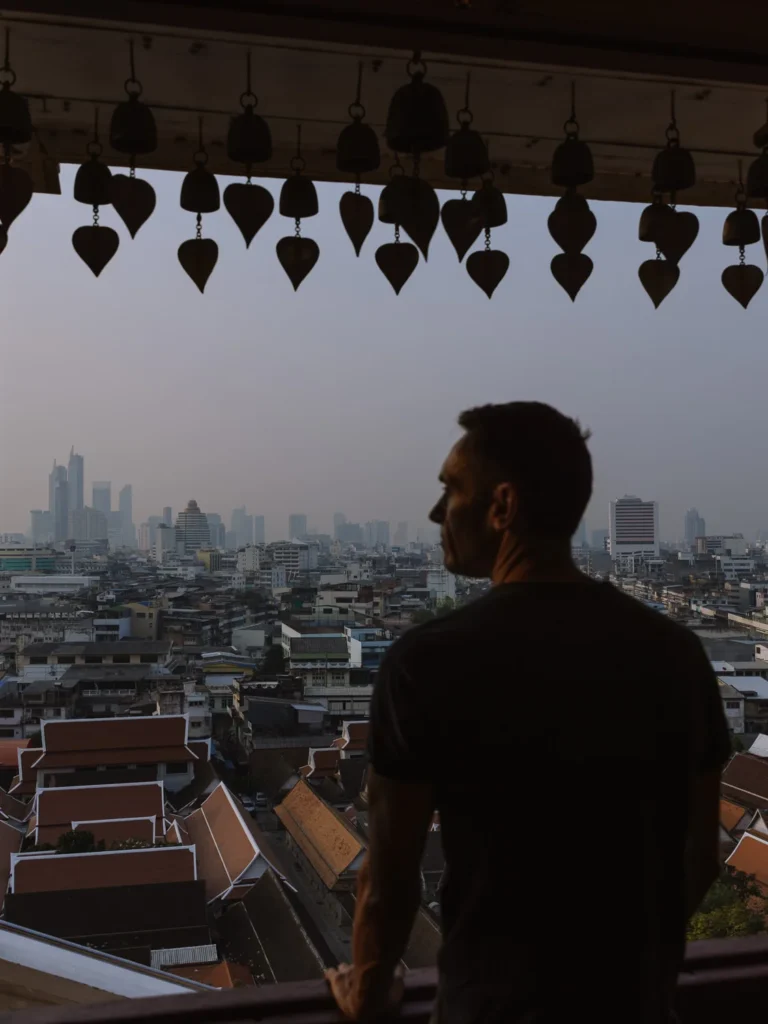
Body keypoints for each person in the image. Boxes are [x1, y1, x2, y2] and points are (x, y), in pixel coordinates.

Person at [327, 401, 730, 1024]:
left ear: (503, 506)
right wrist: (621, 967)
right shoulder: (674, 652)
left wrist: (371, 987)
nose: (437, 513)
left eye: (451, 490)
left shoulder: (427, 663)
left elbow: (388, 878)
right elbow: (701, 855)